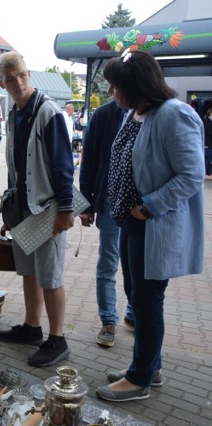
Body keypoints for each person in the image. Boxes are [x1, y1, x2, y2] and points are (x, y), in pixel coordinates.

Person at [95, 49, 204, 402]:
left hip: (151, 225)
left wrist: (148, 207)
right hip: (130, 222)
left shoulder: (174, 114)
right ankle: (148, 366)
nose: (113, 93)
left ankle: (139, 379)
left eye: (116, 86)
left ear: (135, 85)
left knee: (146, 300)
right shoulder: (135, 114)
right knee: (137, 297)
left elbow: (191, 175)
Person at [0, 52, 75, 367]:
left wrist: (66, 209)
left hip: (49, 208)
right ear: (2, 83)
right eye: (11, 79)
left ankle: (58, 339)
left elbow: (63, 164)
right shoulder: (14, 115)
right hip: (23, 209)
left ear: (29, 74)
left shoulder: (48, 112)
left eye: (22, 75)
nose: (18, 83)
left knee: (50, 275)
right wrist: (9, 211)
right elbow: (14, 165)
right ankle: (31, 327)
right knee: (28, 271)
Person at [79, 100, 134, 348]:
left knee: (138, 264)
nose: (113, 91)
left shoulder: (150, 112)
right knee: (108, 263)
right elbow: (88, 160)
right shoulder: (103, 115)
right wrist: (87, 205)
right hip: (110, 202)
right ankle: (108, 320)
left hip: (142, 205)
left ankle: (133, 314)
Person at [204, 107, 212, 176]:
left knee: (208, 160)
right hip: (207, 144)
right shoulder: (207, 121)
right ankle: (207, 173)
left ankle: (208, 172)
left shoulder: (208, 121)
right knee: (207, 160)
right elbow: (210, 132)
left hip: (208, 144)